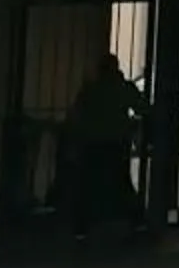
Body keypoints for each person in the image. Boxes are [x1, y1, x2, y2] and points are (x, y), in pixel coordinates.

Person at [62, 52, 153, 241]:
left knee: (89, 184)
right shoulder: (123, 87)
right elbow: (143, 108)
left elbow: (77, 114)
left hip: (93, 143)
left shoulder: (91, 89)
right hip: (117, 142)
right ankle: (137, 221)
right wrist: (132, 125)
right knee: (121, 182)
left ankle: (83, 226)